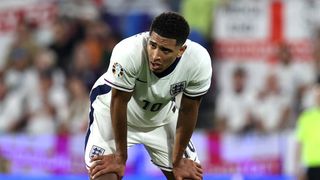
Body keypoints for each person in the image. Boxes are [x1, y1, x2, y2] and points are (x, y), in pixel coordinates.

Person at [84, 12, 212, 180]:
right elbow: (119, 101)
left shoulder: (198, 62)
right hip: (114, 114)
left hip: (161, 118)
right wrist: (120, 157)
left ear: (181, 50)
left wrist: (178, 159)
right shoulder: (128, 52)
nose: (155, 56)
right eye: (153, 45)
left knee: (187, 176)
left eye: (165, 50)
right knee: (104, 175)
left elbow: (189, 110)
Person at [295, 76, 320, 180]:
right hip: (311, 165)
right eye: (318, 92)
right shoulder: (305, 117)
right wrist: (297, 166)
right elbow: (299, 143)